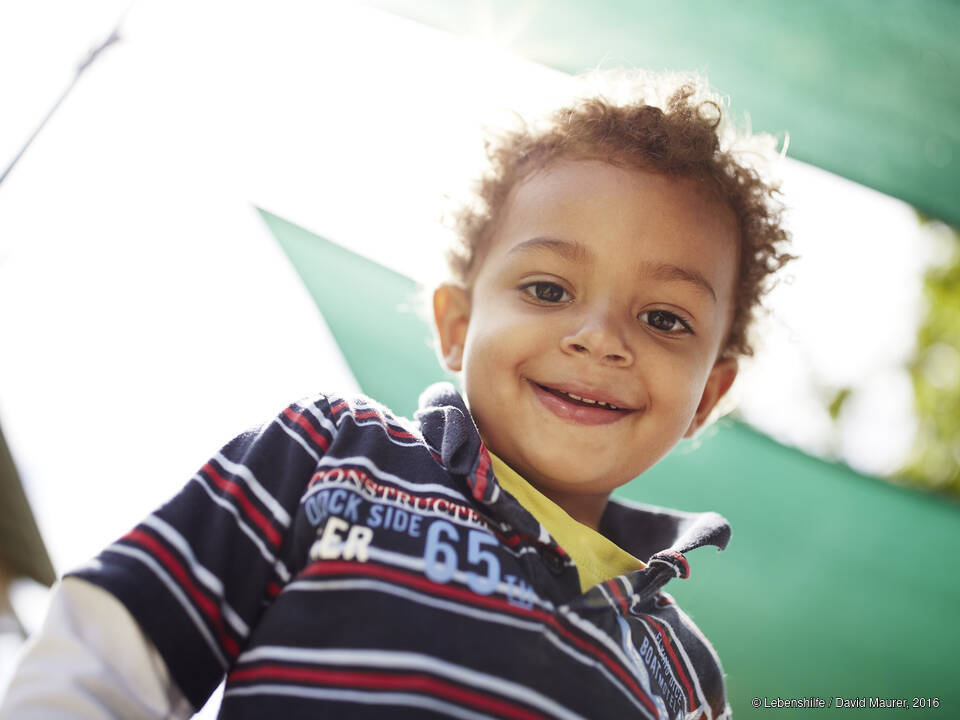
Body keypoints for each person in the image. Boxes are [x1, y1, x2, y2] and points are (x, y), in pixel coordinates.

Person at [1, 70, 791, 719]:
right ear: (456, 323)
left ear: (709, 394)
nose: (600, 337)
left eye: (663, 318)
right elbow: (109, 655)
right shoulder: (324, 456)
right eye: (548, 288)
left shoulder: (685, 676)